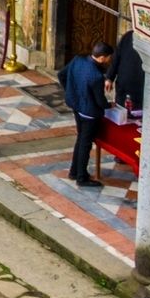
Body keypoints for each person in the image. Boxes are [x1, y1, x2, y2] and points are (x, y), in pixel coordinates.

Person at [60, 41, 112, 188]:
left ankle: (74, 171)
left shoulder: (78, 60)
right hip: (89, 113)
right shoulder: (96, 76)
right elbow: (100, 101)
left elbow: (61, 75)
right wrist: (109, 106)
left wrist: (71, 91)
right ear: (102, 58)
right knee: (85, 143)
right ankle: (82, 177)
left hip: (76, 106)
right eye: (108, 58)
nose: (109, 61)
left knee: (80, 138)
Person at [105, 29, 145, 110]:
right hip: (124, 83)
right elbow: (116, 58)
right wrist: (109, 77)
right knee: (121, 110)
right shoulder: (129, 36)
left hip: (141, 85)